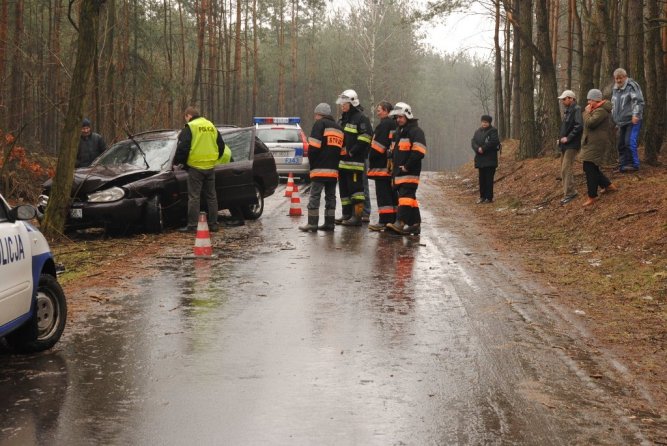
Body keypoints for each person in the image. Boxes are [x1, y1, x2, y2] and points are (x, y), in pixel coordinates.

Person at [173, 106, 225, 232]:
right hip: (210, 166)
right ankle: (213, 224)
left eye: (185, 118)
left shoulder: (190, 127)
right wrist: (214, 158)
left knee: (194, 197)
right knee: (212, 196)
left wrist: (179, 163)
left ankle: (192, 226)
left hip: (195, 167)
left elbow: (183, 148)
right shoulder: (211, 125)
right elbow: (221, 145)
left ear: (188, 116)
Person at [299, 103, 344, 232]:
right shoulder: (339, 128)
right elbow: (343, 151)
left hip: (319, 168)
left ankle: (312, 224)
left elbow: (313, 147)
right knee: (330, 196)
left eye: (315, 114)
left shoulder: (319, 124)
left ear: (318, 114)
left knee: (315, 196)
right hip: (334, 170)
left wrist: (312, 164)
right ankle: (329, 223)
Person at [386, 102, 426, 236]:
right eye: (397, 117)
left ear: (408, 116)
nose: (398, 120)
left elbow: (419, 151)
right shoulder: (399, 132)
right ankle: (415, 225)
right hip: (399, 172)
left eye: (401, 117)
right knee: (410, 198)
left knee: (405, 197)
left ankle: (400, 222)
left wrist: (407, 166)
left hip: (410, 172)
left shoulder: (416, 131)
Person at [335, 89, 372, 226]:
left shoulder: (361, 118)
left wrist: (351, 151)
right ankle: (347, 214)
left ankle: (357, 217)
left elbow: (366, 137)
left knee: (356, 190)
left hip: (354, 162)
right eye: (341, 103)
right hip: (342, 163)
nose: (342, 106)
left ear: (352, 103)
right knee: (344, 190)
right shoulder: (343, 119)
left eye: (344, 103)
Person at [580, 89, 618, 207]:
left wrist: (586, 113)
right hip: (592, 142)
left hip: (596, 143)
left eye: (590, 100)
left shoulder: (601, 110)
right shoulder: (597, 109)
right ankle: (608, 185)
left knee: (589, 167)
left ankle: (592, 196)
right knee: (591, 167)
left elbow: (591, 123)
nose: (588, 102)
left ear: (596, 99)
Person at [367, 101, 398, 232]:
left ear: (385, 110)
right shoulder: (394, 124)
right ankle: (392, 220)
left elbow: (378, 146)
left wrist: (370, 155)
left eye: (379, 110)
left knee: (383, 194)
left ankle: (384, 221)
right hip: (389, 165)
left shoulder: (384, 124)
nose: (377, 112)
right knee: (391, 194)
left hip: (381, 166)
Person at [611, 68, 644, 172]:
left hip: (632, 120)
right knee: (620, 143)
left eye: (620, 78)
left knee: (629, 141)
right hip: (621, 122)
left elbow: (638, 101)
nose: (619, 80)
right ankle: (623, 164)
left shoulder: (632, 86)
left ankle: (633, 164)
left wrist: (636, 115)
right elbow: (614, 104)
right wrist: (615, 120)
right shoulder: (615, 88)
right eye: (617, 78)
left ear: (625, 77)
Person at [557, 90, 584, 205]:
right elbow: (566, 127)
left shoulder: (576, 109)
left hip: (572, 145)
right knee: (563, 169)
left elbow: (579, 126)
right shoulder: (567, 111)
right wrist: (561, 139)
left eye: (564, 99)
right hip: (565, 145)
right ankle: (568, 192)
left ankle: (570, 193)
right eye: (562, 99)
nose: (563, 101)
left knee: (566, 168)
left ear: (571, 99)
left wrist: (568, 138)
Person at [470, 115, 500, 204]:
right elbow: (473, 141)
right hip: (480, 159)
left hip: (490, 159)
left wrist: (483, 148)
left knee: (489, 179)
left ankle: (489, 197)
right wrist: (477, 148)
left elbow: (494, 142)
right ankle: (482, 197)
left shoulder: (493, 131)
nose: (484, 123)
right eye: (483, 122)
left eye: (486, 122)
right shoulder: (477, 131)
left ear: (489, 123)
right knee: (481, 179)